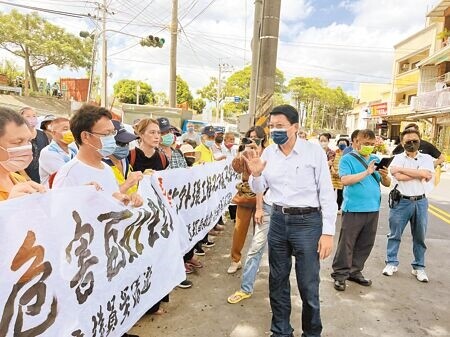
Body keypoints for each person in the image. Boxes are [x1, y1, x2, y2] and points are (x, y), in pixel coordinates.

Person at [245, 104, 337, 337]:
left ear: (295, 127)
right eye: (272, 126)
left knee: (308, 285)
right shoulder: (268, 153)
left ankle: (312, 332)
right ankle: (281, 331)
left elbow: (327, 193)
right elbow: (260, 187)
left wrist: (328, 233)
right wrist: (255, 174)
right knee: (277, 280)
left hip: (308, 223)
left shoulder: (313, 152)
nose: (275, 130)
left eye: (280, 126)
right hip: (277, 220)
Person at [331, 129, 391, 292]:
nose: (369, 147)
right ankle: (340, 275)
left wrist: (384, 175)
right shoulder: (347, 159)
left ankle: (355, 271)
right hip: (354, 209)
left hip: (373, 208)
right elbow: (345, 180)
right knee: (347, 243)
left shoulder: (375, 159)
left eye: (372, 144)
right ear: (355, 142)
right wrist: (366, 172)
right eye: (366, 143)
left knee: (365, 243)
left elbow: (386, 183)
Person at [52, 104, 143, 207]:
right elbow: (58, 216)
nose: (112, 139)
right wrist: (80, 199)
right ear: (85, 136)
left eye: (113, 133)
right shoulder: (68, 175)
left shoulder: (107, 169)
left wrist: (129, 199)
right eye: (106, 134)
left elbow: (112, 201)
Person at [382, 128, 434, 283]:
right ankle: (391, 263)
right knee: (394, 234)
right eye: (408, 142)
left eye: (415, 141)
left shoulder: (426, 158)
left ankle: (419, 267)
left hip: (421, 202)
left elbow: (426, 174)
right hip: (401, 202)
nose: (412, 144)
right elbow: (397, 176)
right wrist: (418, 173)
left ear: (420, 141)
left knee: (420, 236)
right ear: (402, 143)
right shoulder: (396, 158)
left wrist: (404, 171)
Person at [157, 117, 201, 288]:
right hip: (163, 205)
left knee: (181, 235)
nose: (166, 135)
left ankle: (183, 262)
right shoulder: (155, 155)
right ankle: (174, 273)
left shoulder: (177, 153)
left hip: (181, 203)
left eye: (168, 132)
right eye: (162, 133)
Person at [228, 126, 266, 274]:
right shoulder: (244, 152)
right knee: (239, 230)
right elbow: (236, 169)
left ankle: (254, 262)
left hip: (263, 196)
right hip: (245, 195)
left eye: (256, 137)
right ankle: (235, 260)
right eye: (250, 137)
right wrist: (240, 153)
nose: (253, 140)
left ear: (262, 138)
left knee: (260, 234)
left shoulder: (268, 152)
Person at [227, 190, 272, 303]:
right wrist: (260, 207)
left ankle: (279, 293)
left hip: (291, 211)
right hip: (264, 204)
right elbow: (259, 181)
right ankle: (246, 289)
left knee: (281, 252)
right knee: (255, 247)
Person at [0, 107, 46, 201]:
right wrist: (8, 207)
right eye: (17, 142)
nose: (27, 148)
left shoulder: (20, 181)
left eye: (28, 141)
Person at [193, 126, 217, 254]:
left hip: (209, 188)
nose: (212, 139)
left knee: (207, 215)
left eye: (213, 137)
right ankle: (197, 245)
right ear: (203, 137)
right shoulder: (199, 150)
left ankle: (205, 239)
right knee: (200, 217)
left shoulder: (209, 149)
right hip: (201, 189)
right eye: (209, 137)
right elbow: (194, 166)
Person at [103, 120, 142, 195]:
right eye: (120, 143)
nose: (125, 146)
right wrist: (127, 184)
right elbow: (103, 198)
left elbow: (132, 190)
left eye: (127, 142)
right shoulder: (100, 166)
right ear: (108, 141)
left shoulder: (125, 161)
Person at [39, 117, 77, 187]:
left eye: (71, 129)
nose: (70, 132)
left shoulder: (73, 151)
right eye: (65, 129)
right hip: (53, 194)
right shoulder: (48, 152)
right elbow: (66, 176)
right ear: (53, 133)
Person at [19, 107, 49, 183]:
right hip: (24, 178)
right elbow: (16, 157)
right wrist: (25, 176)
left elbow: (46, 155)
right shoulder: (18, 136)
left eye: (34, 116)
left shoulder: (42, 134)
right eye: (28, 116)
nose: (32, 118)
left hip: (41, 176)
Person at [331, 138, 350, 214]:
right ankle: (330, 207)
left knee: (340, 194)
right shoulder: (334, 153)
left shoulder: (348, 154)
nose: (342, 144)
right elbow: (331, 161)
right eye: (340, 143)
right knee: (330, 192)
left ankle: (339, 208)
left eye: (344, 143)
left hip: (341, 175)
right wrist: (333, 170)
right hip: (332, 175)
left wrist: (339, 172)